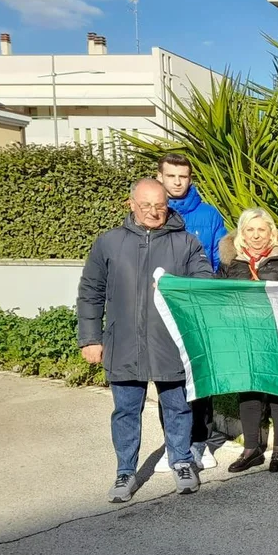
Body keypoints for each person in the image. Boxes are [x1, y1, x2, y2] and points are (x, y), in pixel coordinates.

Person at [77, 178, 214, 503]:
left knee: (178, 408)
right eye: (146, 205)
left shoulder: (185, 243)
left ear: (168, 206)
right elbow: (90, 292)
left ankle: (181, 461)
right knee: (125, 411)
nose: (153, 212)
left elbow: (204, 282)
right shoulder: (109, 243)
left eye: (160, 205)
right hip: (123, 342)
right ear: (131, 205)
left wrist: (176, 286)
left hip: (170, 342)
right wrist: (89, 338)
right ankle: (125, 471)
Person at [216, 208, 278, 473]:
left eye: (261, 229)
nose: (255, 235)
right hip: (244, 333)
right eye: (250, 230)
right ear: (241, 233)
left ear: (271, 232)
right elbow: (218, 296)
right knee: (249, 388)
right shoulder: (230, 262)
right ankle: (251, 449)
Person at [156, 153, 227, 469]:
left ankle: (201, 441)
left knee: (199, 376)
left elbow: (219, 256)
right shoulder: (152, 214)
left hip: (199, 308)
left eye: (182, 176)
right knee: (166, 377)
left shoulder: (209, 215)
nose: (177, 182)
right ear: (160, 177)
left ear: (190, 177)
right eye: (171, 176)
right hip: (163, 308)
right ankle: (173, 443)